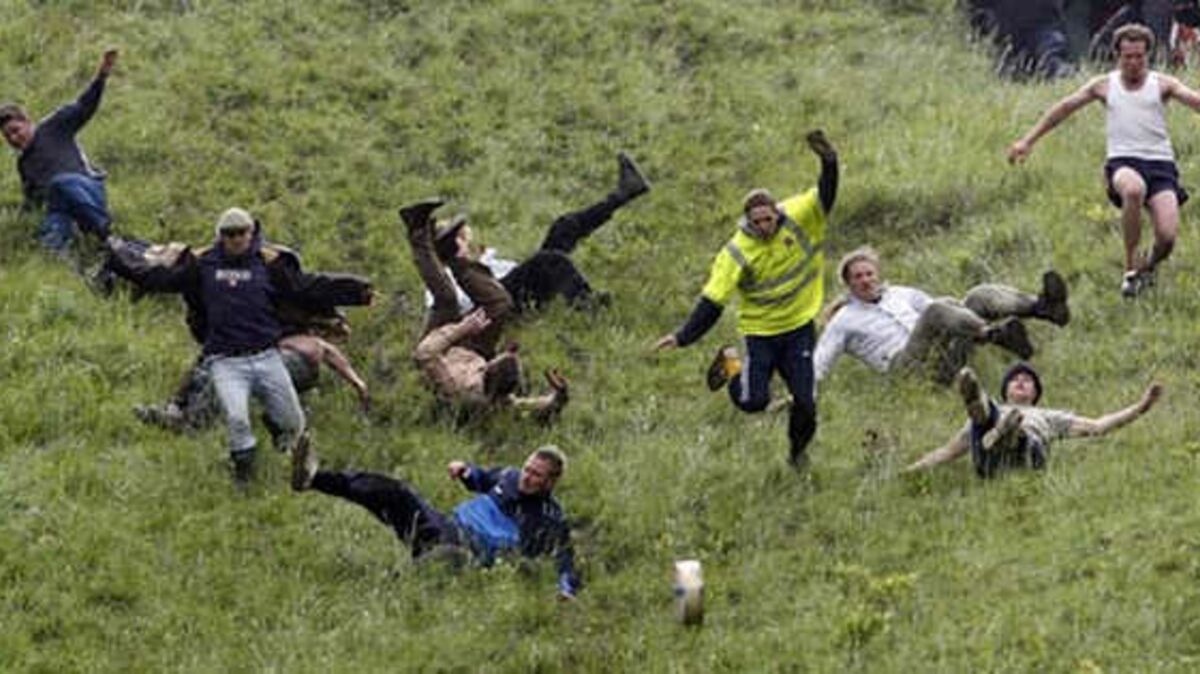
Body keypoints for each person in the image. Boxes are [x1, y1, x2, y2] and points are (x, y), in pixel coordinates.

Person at [105, 207, 373, 483]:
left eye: (240, 233)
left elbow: (307, 286)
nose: (234, 239)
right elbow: (161, 279)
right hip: (226, 357)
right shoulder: (203, 263)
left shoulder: (271, 264)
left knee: (293, 424)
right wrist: (118, 259)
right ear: (220, 235)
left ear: (251, 233)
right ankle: (241, 475)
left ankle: (299, 464)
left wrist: (356, 290)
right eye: (228, 234)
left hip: (267, 356)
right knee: (236, 418)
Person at [654, 130, 838, 468]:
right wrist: (682, 336)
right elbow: (712, 301)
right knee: (754, 402)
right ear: (747, 222)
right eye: (757, 222)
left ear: (776, 212)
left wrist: (829, 161)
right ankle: (730, 362)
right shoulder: (736, 252)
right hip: (760, 336)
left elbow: (825, 195)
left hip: (799, 328)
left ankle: (797, 454)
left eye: (769, 219)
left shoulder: (797, 217)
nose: (765, 226)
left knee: (806, 403)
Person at [1008, 23, 1200, 298]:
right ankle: (1130, 267)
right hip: (1123, 163)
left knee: (1167, 238)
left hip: (1161, 166)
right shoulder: (1104, 86)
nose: (1133, 63)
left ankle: (1148, 267)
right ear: (1117, 57)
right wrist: (1027, 141)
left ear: (1148, 56)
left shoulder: (1163, 84)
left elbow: (1194, 100)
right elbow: (1063, 108)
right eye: (1127, 57)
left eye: (1139, 57)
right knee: (1133, 190)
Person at [290, 440, 581, 599]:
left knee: (448, 555)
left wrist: (565, 591)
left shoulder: (550, 518)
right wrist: (464, 470)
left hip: (470, 549)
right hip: (445, 525)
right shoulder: (509, 476)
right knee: (394, 491)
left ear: (551, 482)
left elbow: (565, 561)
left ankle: (401, 591)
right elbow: (481, 478)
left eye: (536, 476)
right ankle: (313, 478)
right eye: (528, 469)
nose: (527, 478)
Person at [402, 199, 569, 419]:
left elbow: (424, 354)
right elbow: (530, 405)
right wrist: (560, 396)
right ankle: (454, 256)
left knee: (447, 300)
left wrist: (462, 328)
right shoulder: (499, 395)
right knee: (500, 305)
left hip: (440, 345)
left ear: (488, 372)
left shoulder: (459, 387)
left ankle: (417, 233)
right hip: (472, 348)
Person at [428, 151, 650, 314]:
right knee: (548, 260)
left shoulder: (481, 261)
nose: (465, 240)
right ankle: (588, 306)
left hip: (515, 291)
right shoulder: (444, 281)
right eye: (458, 238)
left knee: (563, 227)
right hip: (498, 306)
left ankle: (624, 193)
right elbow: (454, 309)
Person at [814, 247, 1069, 385]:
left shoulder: (900, 293)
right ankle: (994, 334)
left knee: (975, 296)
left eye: (869, 273)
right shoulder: (844, 319)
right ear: (848, 284)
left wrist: (969, 309)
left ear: (877, 274)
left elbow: (947, 310)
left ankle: (1042, 307)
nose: (866, 280)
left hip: (944, 357)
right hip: (908, 369)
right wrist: (802, 394)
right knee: (935, 310)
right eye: (858, 277)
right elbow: (820, 360)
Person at [904, 363, 1163, 478]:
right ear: (1005, 390)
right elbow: (946, 452)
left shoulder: (1048, 416)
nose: (1020, 381)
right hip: (988, 462)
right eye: (1015, 379)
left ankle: (1010, 432)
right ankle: (982, 407)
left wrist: (1142, 406)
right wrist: (908, 472)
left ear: (1035, 394)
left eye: (1027, 381)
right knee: (985, 419)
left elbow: (1098, 426)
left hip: (1027, 458)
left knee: (1019, 432)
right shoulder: (991, 413)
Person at [1, 49, 118, 255]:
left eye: (15, 131)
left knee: (60, 183)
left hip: (87, 190)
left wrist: (101, 76)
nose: (13, 139)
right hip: (63, 209)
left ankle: (107, 235)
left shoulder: (54, 126)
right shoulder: (24, 165)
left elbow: (84, 106)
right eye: (7, 137)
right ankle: (71, 273)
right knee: (49, 236)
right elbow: (32, 202)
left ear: (27, 122)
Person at [133, 333, 371, 433]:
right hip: (269, 364)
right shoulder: (275, 331)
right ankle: (176, 410)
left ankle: (188, 421)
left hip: (288, 365)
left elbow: (332, 354)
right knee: (209, 368)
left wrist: (358, 384)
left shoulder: (310, 342)